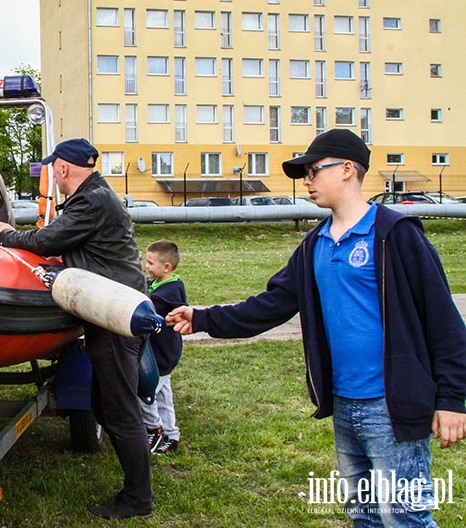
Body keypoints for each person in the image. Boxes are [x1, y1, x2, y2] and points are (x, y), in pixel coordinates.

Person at [167, 129, 466, 526]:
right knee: (365, 517)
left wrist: (451, 399)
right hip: (344, 404)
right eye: (304, 174)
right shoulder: (315, 244)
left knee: (405, 518)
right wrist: (202, 318)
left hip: (392, 406)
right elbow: (270, 305)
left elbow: (443, 320)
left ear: (347, 170)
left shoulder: (395, 235)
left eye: (313, 171)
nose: (306, 181)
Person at [0, 137, 153, 520]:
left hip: (114, 313)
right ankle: (135, 484)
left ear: (63, 168)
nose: (54, 177)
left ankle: (138, 499)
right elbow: (81, 244)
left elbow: (48, 237)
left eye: (54, 169)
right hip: (110, 308)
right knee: (103, 403)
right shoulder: (98, 196)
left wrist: (5, 236)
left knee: (120, 409)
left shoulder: (90, 200)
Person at [142, 239, 185, 455]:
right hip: (159, 353)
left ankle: (154, 428)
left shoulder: (170, 292)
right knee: (163, 395)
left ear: (166, 267)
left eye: (150, 263)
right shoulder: (159, 284)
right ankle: (172, 435)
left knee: (146, 394)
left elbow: (148, 305)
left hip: (163, 353)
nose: (146, 266)